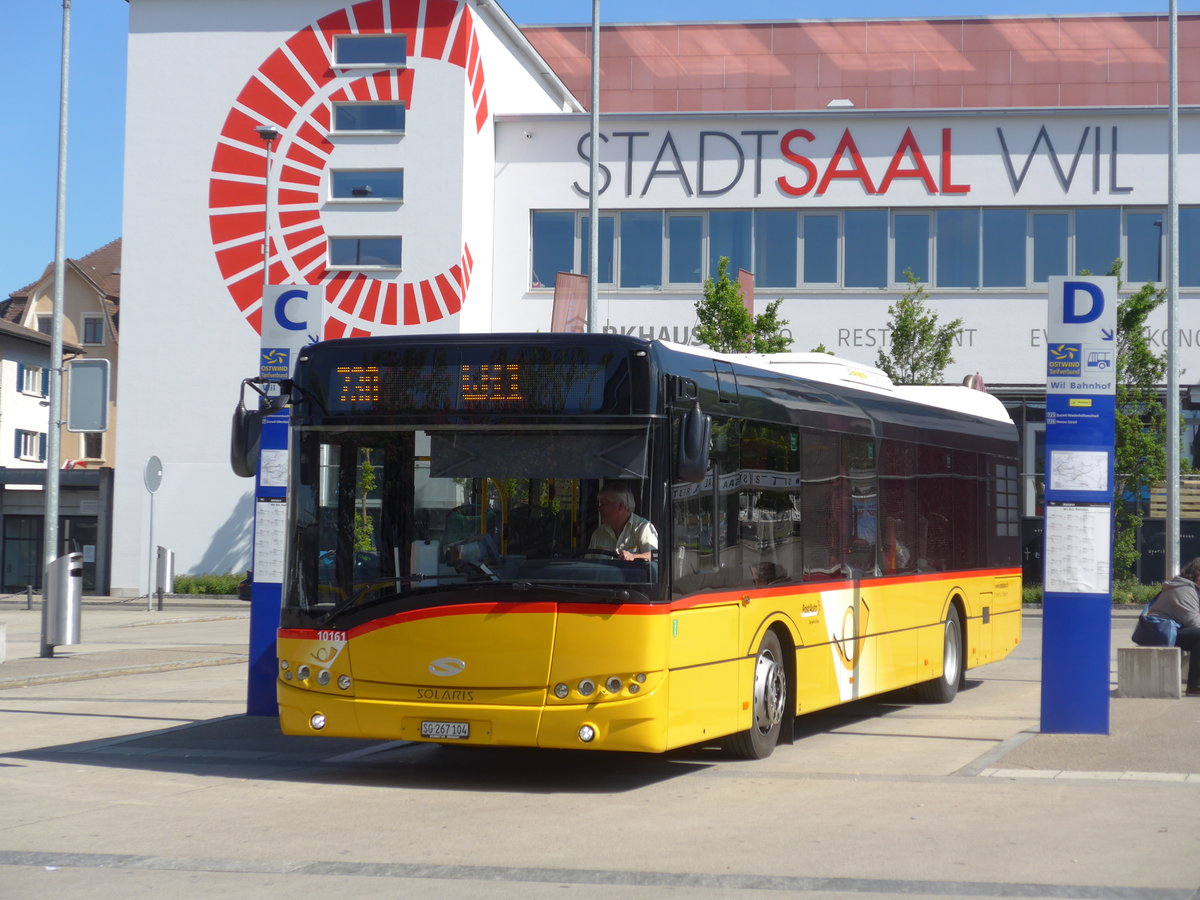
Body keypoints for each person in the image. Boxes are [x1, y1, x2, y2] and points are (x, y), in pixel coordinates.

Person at [1146, 557, 1200, 696]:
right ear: (1198, 575)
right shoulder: (1184, 590)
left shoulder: (1191, 588)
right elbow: (1195, 623)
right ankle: (1195, 686)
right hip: (1159, 632)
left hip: (1171, 630)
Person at [589, 482, 658, 561]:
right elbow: (587, 565)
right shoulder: (598, 533)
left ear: (620, 506)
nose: (599, 509)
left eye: (603, 504)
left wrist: (633, 557)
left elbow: (656, 555)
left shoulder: (643, 527)